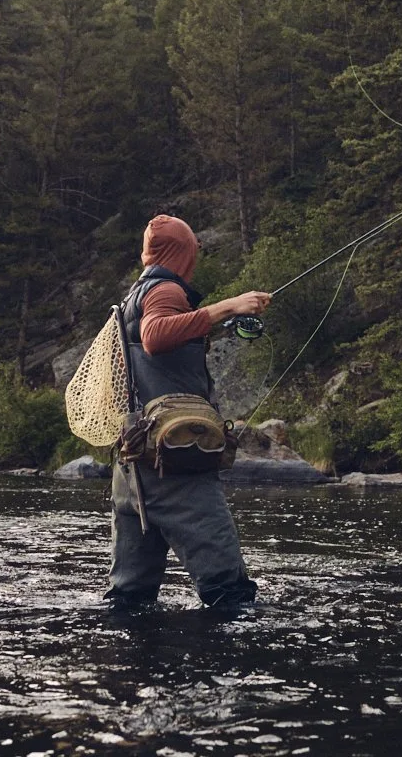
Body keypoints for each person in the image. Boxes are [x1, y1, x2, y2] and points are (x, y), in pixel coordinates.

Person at [106, 214, 272, 609]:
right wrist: (228, 306)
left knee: (129, 600)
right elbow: (156, 336)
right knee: (229, 594)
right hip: (176, 462)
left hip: (135, 468)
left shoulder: (133, 297)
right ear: (183, 253)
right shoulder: (164, 289)